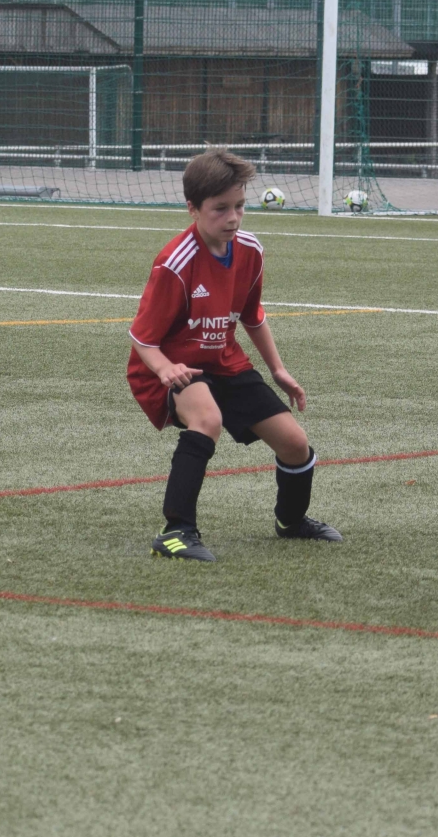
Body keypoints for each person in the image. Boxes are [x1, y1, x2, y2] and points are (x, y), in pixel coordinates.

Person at [127, 148, 342, 562]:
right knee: (207, 418)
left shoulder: (250, 250)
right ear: (192, 208)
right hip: (171, 366)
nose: (233, 218)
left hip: (225, 362)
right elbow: (142, 338)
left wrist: (278, 369)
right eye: (220, 209)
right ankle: (176, 532)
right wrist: (166, 369)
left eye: (240, 206)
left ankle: (291, 521)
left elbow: (251, 315)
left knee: (294, 444)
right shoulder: (175, 263)